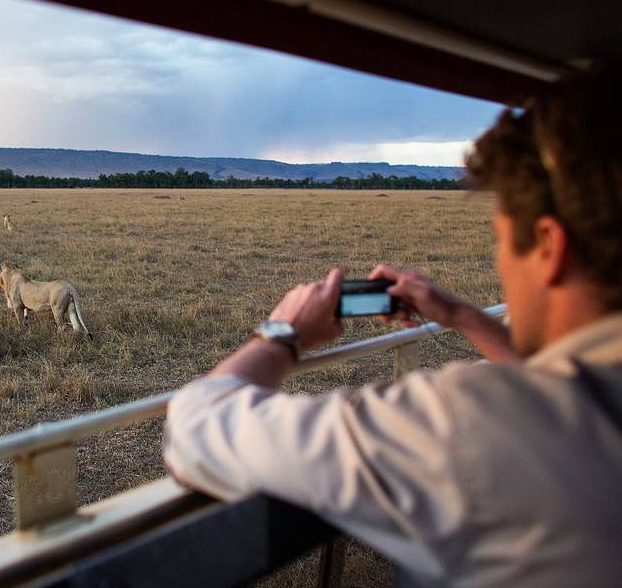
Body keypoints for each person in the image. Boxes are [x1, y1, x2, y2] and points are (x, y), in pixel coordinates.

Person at [163, 65, 622, 587]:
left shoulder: (469, 420)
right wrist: (466, 318)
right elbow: (575, 403)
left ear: (548, 246)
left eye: (500, 240)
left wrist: (283, 334)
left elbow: (197, 426)